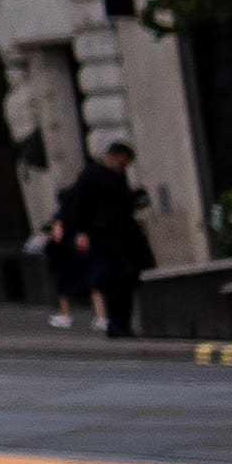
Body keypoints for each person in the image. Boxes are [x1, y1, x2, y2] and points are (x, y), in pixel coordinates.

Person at [58, 136, 153, 341]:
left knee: (126, 279)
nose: (124, 165)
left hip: (123, 235)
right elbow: (77, 205)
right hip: (103, 237)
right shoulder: (91, 175)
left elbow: (121, 204)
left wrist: (135, 198)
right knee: (114, 280)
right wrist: (81, 232)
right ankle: (117, 324)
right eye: (122, 160)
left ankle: (122, 324)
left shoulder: (118, 176)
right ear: (114, 157)